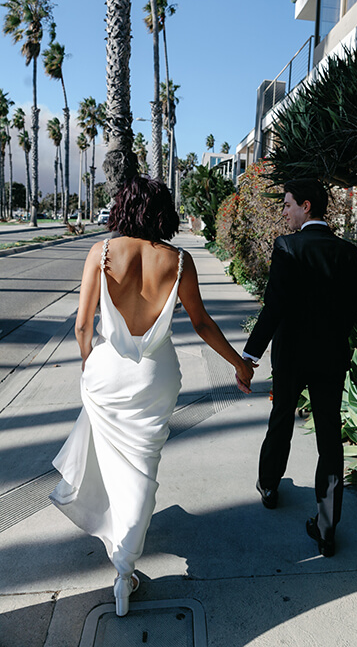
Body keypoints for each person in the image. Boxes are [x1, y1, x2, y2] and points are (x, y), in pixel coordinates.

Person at [50, 175, 253, 616]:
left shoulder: (101, 253)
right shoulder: (179, 261)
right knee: (142, 467)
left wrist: (90, 364)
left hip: (107, 374)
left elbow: (84, 325)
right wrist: (239, 363)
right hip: (155, 378)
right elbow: (201, 324)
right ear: (163, 211)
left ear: (124, 207)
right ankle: (125, 571)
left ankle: (117, 550)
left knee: (109, 461)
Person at [243, 178, 357, 557]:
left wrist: (250, 356)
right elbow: (351, 313)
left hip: (292, 355)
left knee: (281, 418)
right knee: (330, 436)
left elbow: (274, 307)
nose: (284, 211)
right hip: (331, 358)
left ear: (307, 206)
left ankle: (269, 486)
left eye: (288, 204)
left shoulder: (288, 247)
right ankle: (327, 529)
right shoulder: (348, 252)